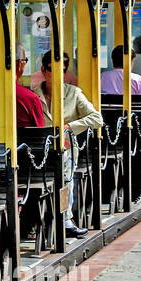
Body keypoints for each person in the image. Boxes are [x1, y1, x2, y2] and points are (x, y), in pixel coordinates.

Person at [34, 53, 102, 237]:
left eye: (61, 71)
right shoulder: (34, 95)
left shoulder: (74, 93)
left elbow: (97, 118)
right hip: (39, 153)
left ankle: (65, 219)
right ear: (43, 70)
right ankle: (35, 221)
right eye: (51, 69)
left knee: (66, 177)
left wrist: (70, 127)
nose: (56, 74)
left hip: (66, 150)